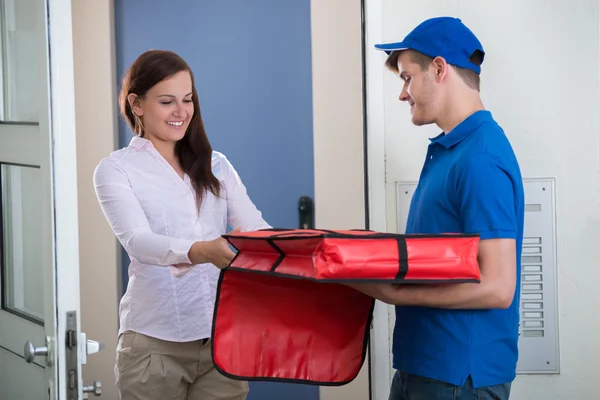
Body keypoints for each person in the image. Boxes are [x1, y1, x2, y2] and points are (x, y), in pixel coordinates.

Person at [349, 17, 525, 399]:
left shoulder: (479, 158)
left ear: (440, 69)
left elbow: (498, 287)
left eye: (407, 78)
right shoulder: (452, 151)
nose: (402, 93)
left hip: (458, 377)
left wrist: (395, 293)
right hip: (426, 366)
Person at [94, 49, 270, 400]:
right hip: (154, 347)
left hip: (221, 339)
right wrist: (201, 251)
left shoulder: (216, 165)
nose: (181, 111)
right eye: (167, 101)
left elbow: (257, 231)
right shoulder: (116, 170)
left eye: (187, 99)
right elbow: (139, 242)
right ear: (137, 104)